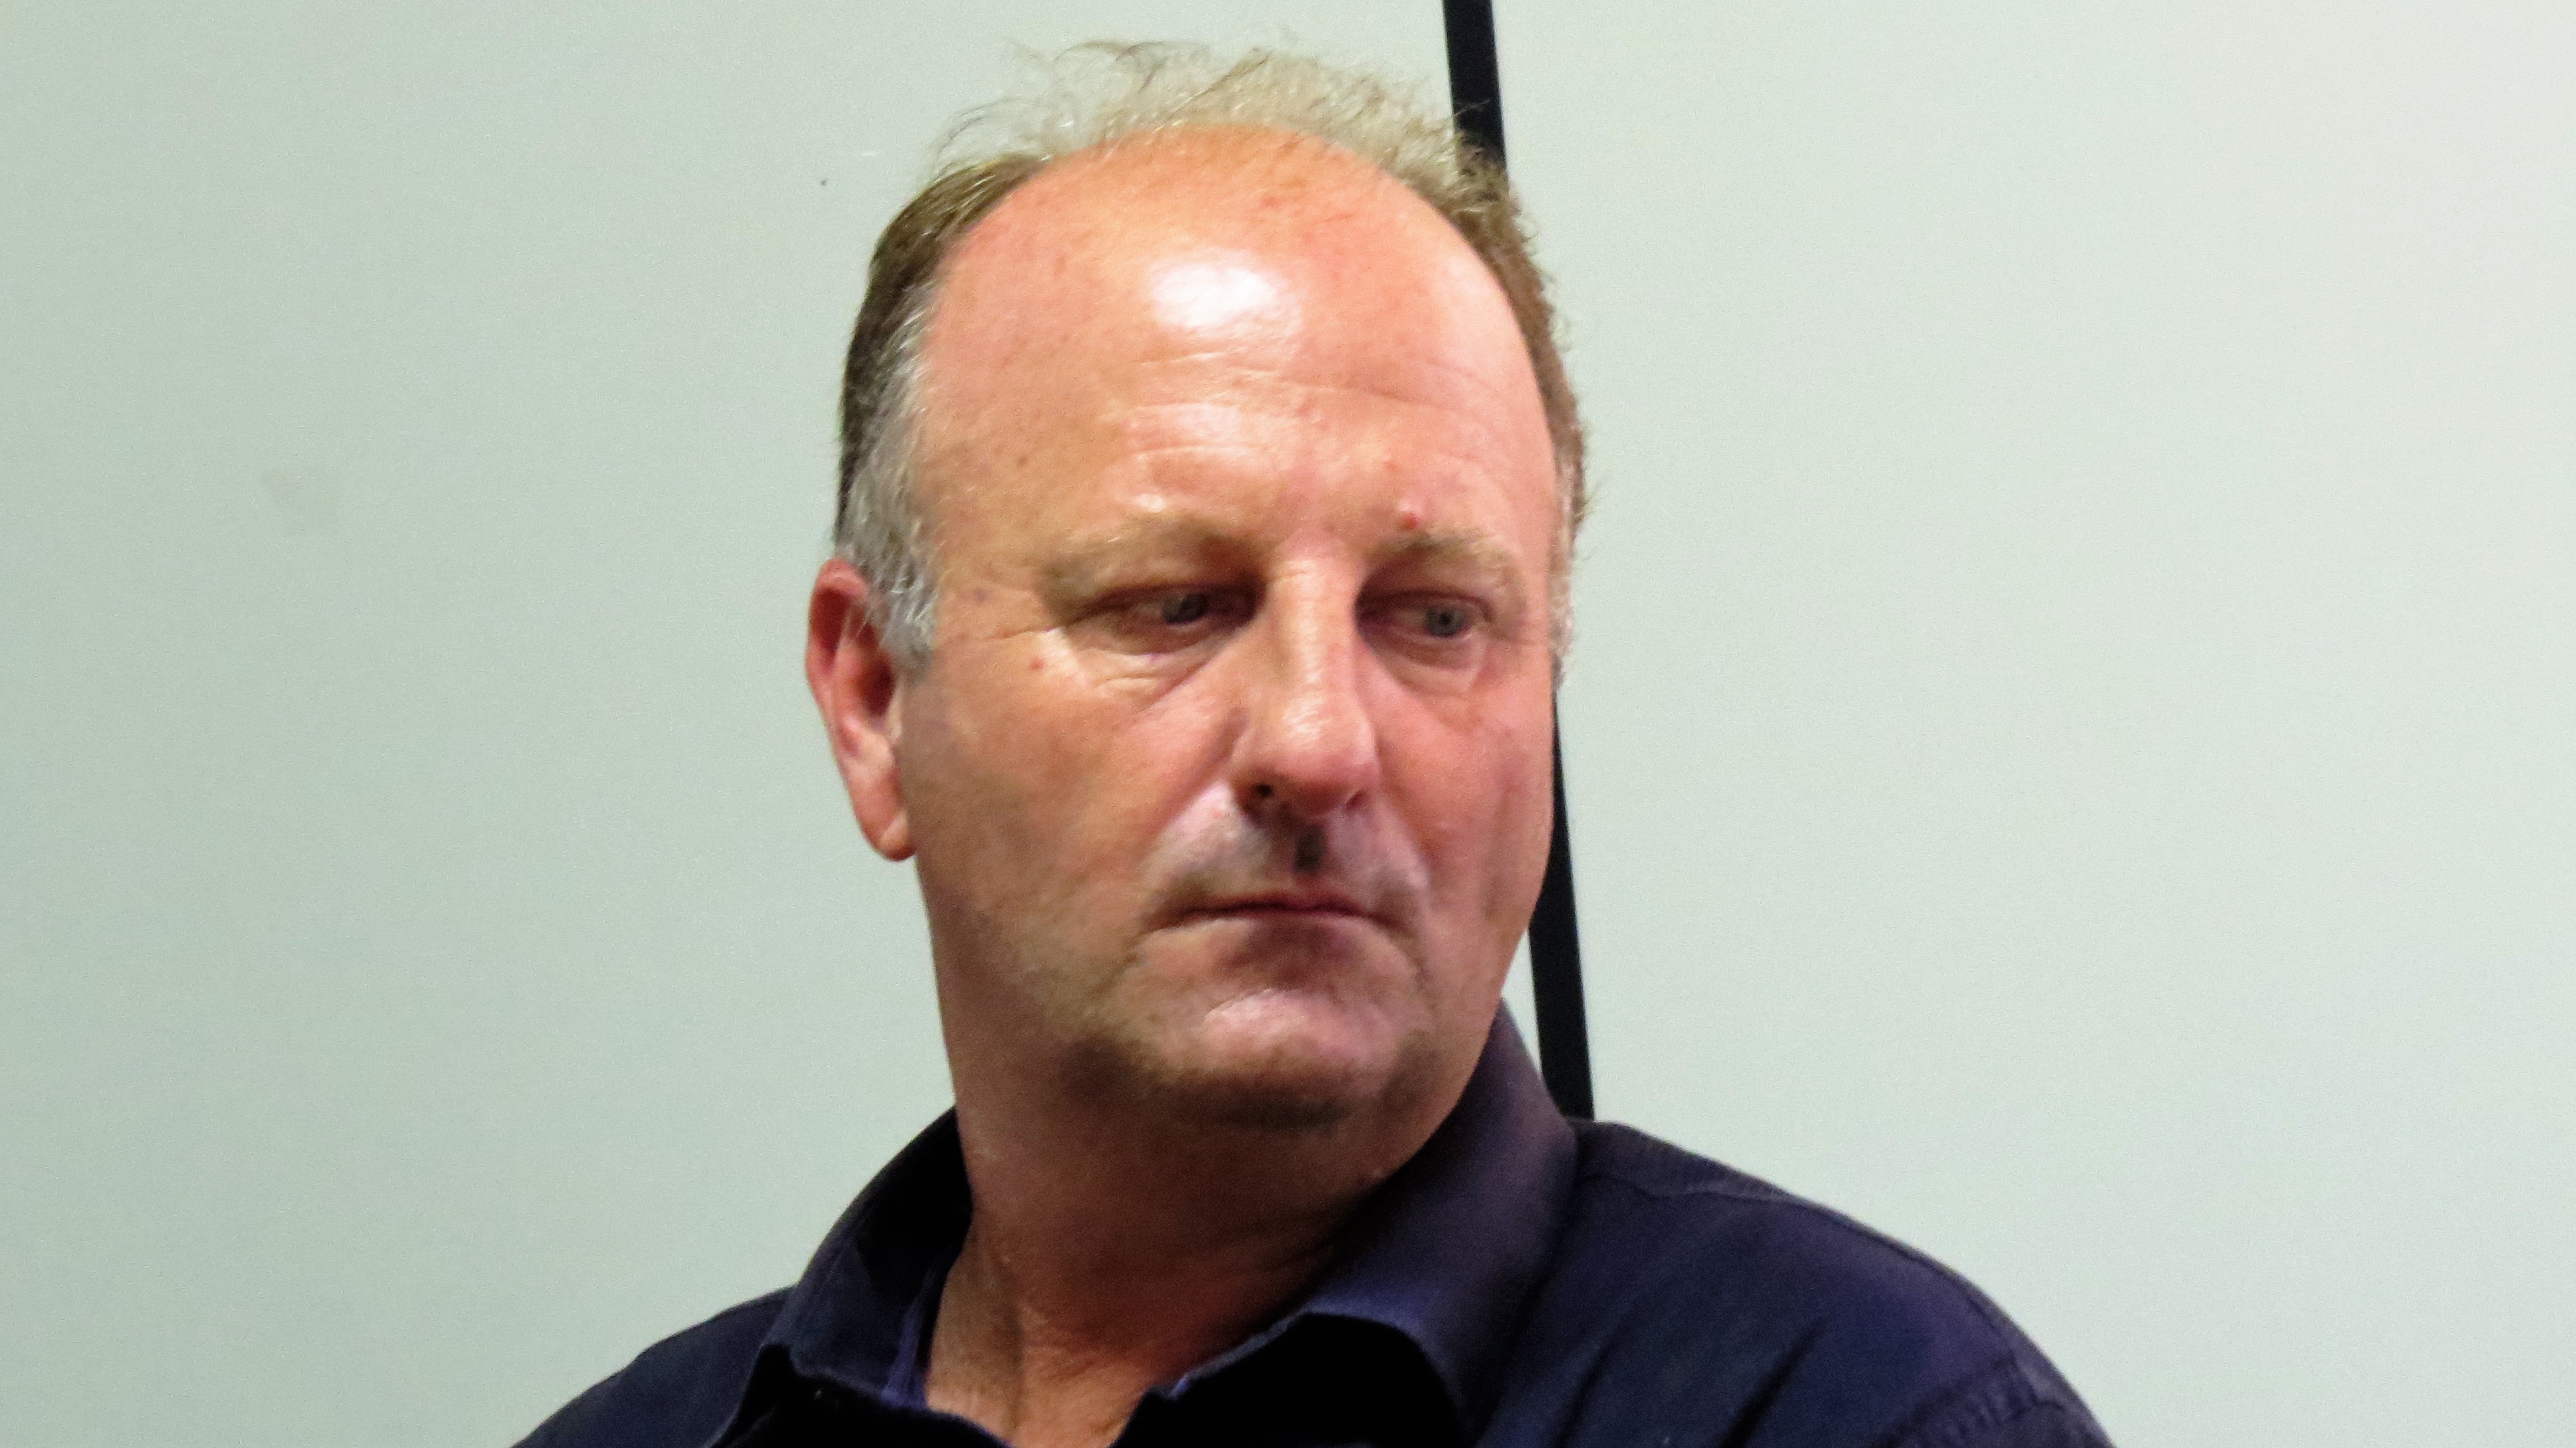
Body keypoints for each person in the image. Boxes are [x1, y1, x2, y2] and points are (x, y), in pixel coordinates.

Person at [520, 43, 2111, 1448]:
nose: (1317, 739)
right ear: (874, 702)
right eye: (1173, 603)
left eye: (1432, 618)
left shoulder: (1864, 1410)